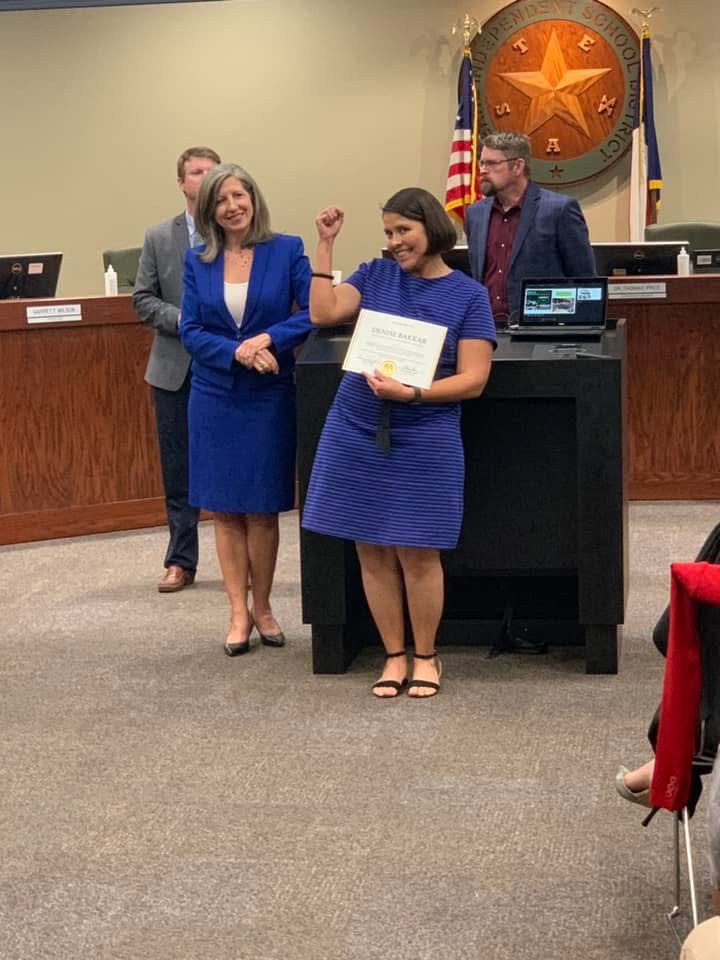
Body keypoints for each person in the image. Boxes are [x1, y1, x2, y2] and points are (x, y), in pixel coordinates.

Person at [302, 188, 496, 698]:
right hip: (355, 425)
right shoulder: (375, 274)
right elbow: (323, 313)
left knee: (417, 551)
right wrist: (325, 244)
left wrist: (412, 393)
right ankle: (392, 654)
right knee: (370, 548)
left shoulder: (468, 295)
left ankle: (426, 656)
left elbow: (474, 379)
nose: (394, 242)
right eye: (388, 232)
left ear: (432, 227)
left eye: (403, 230)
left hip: (425, 432)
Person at [179, 162, 312, 656]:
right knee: (225, 509)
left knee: (261, 509)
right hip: (215, 395)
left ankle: (264, 606)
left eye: (239, 196)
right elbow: (191, 330)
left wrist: (267, 339)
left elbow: (311, 312)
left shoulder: (287, 249)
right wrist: (236, 351)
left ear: (253, 198)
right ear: (208, 210)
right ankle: (237, 611)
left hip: (268, 395)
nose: (232, 207)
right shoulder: (197, 260)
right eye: (220, 200)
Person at [133, 146, 221, 592]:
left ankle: (244, 563)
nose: (204, 179)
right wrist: (184, 320)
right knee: (178, 469)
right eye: (196, 172)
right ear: (181, 183)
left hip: (227, 366)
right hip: (174, 370)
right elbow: (143, 299)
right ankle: (181, 560)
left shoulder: (238, 232)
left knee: (230, 462)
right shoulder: (158, 237)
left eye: (212, 171)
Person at [465, 131, 596, 328]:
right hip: (487, 330)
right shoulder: (475, 214)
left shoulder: (559, 210)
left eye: (492, 164)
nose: (482, 170)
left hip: (542, 331)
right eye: (481, 163)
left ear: (518, 166)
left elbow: (585, 281)